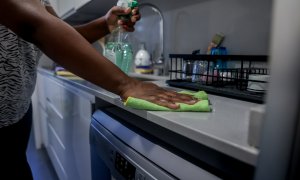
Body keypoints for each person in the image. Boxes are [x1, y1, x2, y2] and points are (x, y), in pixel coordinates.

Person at [0, 0, 197, 179]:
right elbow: (36, 25)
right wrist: (127, 84)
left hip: (18, 113)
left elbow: (62, 33)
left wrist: (105, 24)